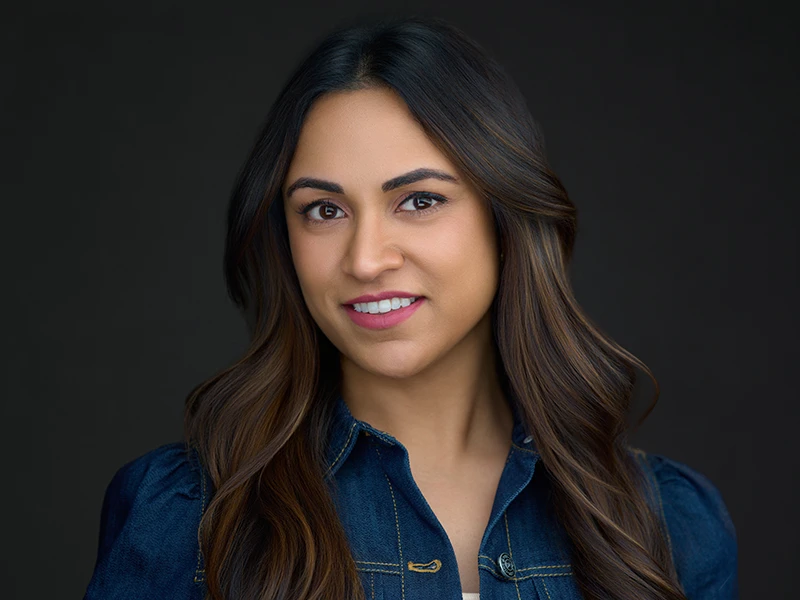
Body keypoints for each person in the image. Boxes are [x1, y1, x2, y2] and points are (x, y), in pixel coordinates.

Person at [83, 15, 737, 600]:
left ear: (504, 218)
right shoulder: (184, 515)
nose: (366, 259)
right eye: (324, 210)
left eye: (419, 201)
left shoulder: (668, 525)